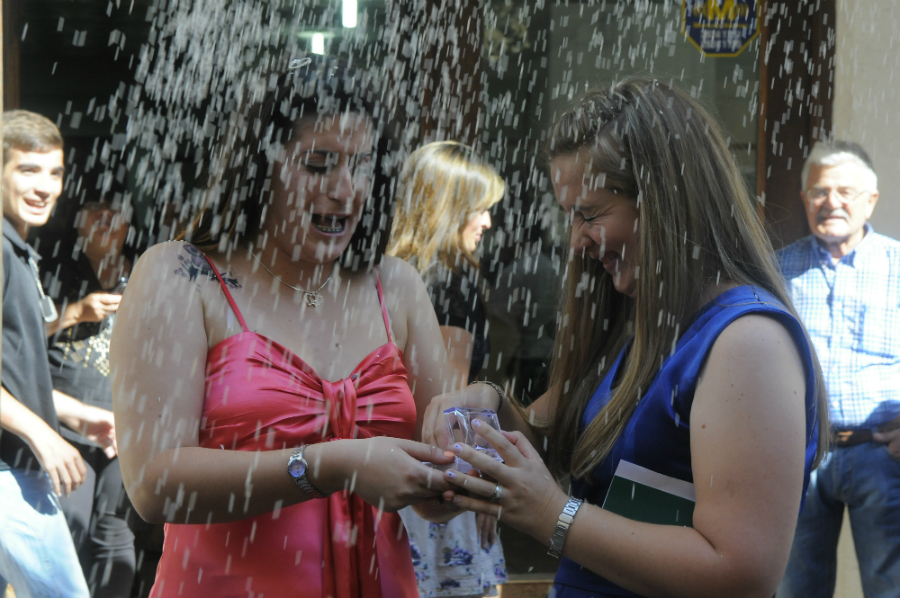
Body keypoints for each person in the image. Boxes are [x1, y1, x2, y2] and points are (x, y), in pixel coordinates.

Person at [419, 78, 829, 598]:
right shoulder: (642, 326)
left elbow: (741, 573)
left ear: (662, 200)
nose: (576, 242)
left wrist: (553, 515)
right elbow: (552, 438)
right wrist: (491, 406)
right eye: (571, 217)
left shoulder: (749, 343)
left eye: (589, 215)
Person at [110, 56, 458, 598]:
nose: (346, 190)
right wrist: (329, 464)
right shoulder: (182, 276)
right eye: (319, 165)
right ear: (261, 165)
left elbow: (440, 486)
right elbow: (154, 486)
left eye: (362, 166)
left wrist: (471, 448)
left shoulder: (398, 286)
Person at [777, 141, 900, 598]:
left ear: (871, 199)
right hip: (803, 457)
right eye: (819, 192)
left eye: (846, 191)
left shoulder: (898, 266)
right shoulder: (777, 270)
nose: (831, 202)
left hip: (885, 456)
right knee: (795, 589)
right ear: (805, 200)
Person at [0, 110, 114, 598]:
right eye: (28, 170)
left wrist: (78, 415)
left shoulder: (19, 252)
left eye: (54, 172)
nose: (45, 185)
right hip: (12, 470)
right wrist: (42, 435)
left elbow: (15, 372)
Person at [387, 141, 508, 598]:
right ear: (451, 207)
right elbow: (449, 408)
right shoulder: (451, 283)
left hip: (395, 482)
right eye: (480, 208)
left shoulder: (389, 276)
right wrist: (483, 488)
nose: (487, 222)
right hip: (439, 499)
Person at [40, 196, 137, 597]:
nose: (106, 218)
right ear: (77, 220)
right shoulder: (52, 268)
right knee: (64, 530)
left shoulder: (146, 275)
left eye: (116, 210)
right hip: (62, 425)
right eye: (96, 208)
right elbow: (17, 334)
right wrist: (77, 311)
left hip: (125, 427)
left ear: (130, 224)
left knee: (114, 531)